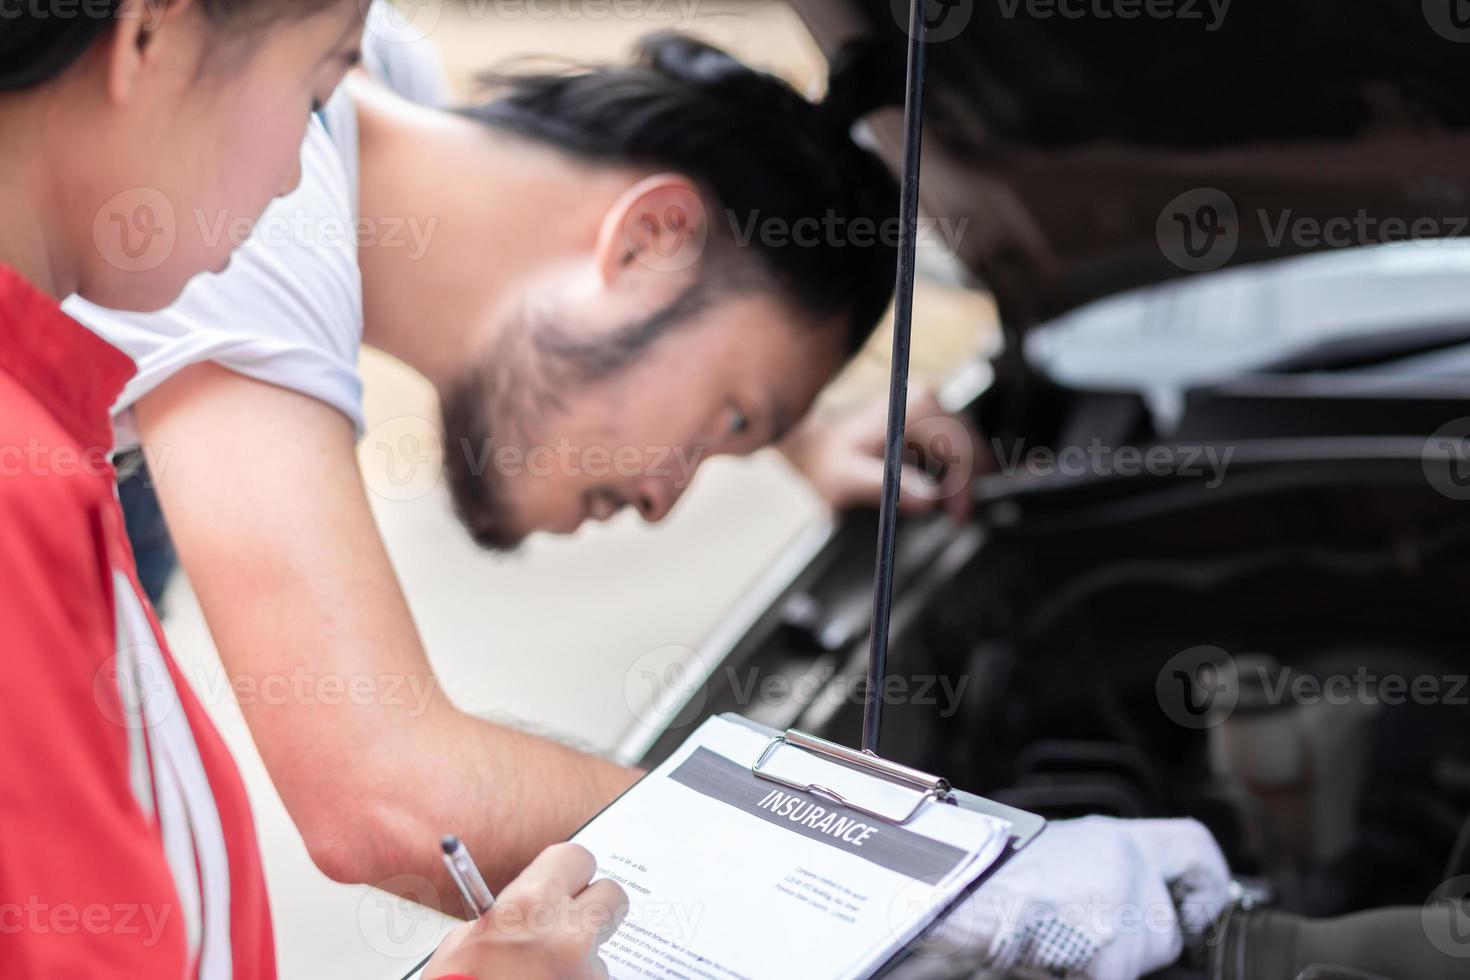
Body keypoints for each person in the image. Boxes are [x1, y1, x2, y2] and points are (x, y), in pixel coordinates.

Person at [67, 24, 1230, 979]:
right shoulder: (258, 209)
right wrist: (922, 873)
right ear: (655, 237)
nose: (668, 500)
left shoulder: (362, 91)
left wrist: (783, 417)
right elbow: (389, 786)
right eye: (726, 417)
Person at [0, 3, 621, 977]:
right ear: (149, 39)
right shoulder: (18, 490)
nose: (296, 171)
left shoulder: (53, 426)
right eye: (315, 92)